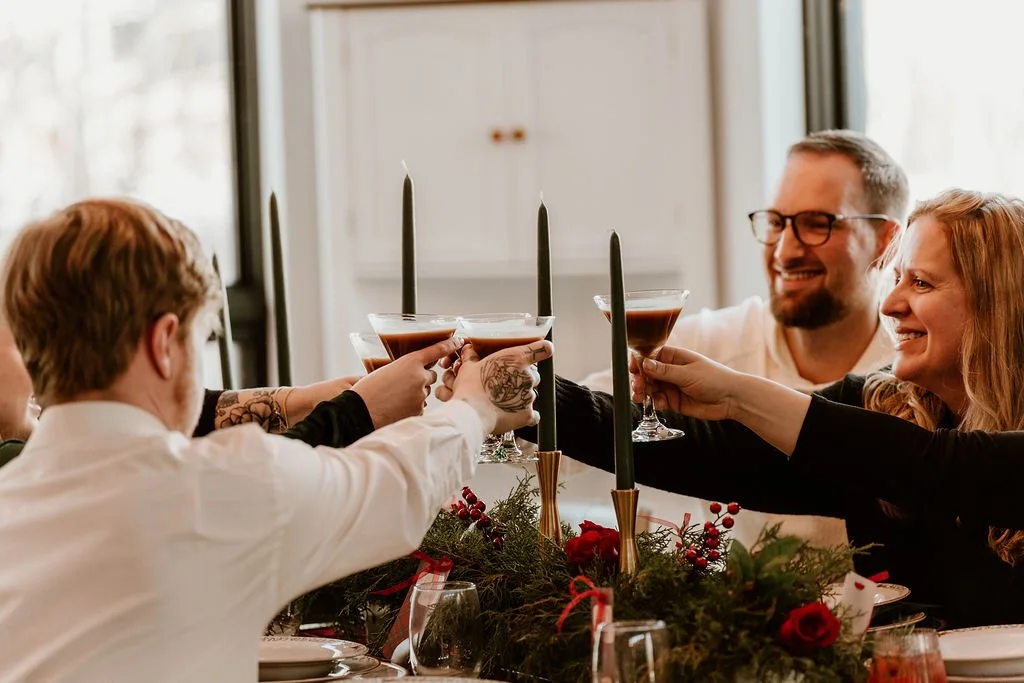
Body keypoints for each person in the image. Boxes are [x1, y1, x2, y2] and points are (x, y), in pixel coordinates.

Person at [0, 198, 552, 682]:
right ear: (164, 343)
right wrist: (475, 408)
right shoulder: (209, 490)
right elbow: (393, 485)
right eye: (202, 336)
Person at [502, 188, 1023, 628]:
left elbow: (932, 465)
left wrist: (737, 394)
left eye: (922, 283)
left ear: (996, 299)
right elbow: (709, 454)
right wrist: (517, 389)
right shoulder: (882, 406)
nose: (890, 304)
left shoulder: (903, 446)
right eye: (898, 279)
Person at [573, 130, 908, 547]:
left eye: (816, 224)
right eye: (777, 223)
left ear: (886, 239)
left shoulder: (917, 367)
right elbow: (582, 421)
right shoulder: (704, 344)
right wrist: (503, 393)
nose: (785, 251)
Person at [0, 321, 450, 466]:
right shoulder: (24, 466)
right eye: (18, 345)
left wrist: (299, 401)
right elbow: (233, 483)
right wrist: (358, 411)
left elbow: (157, 422)